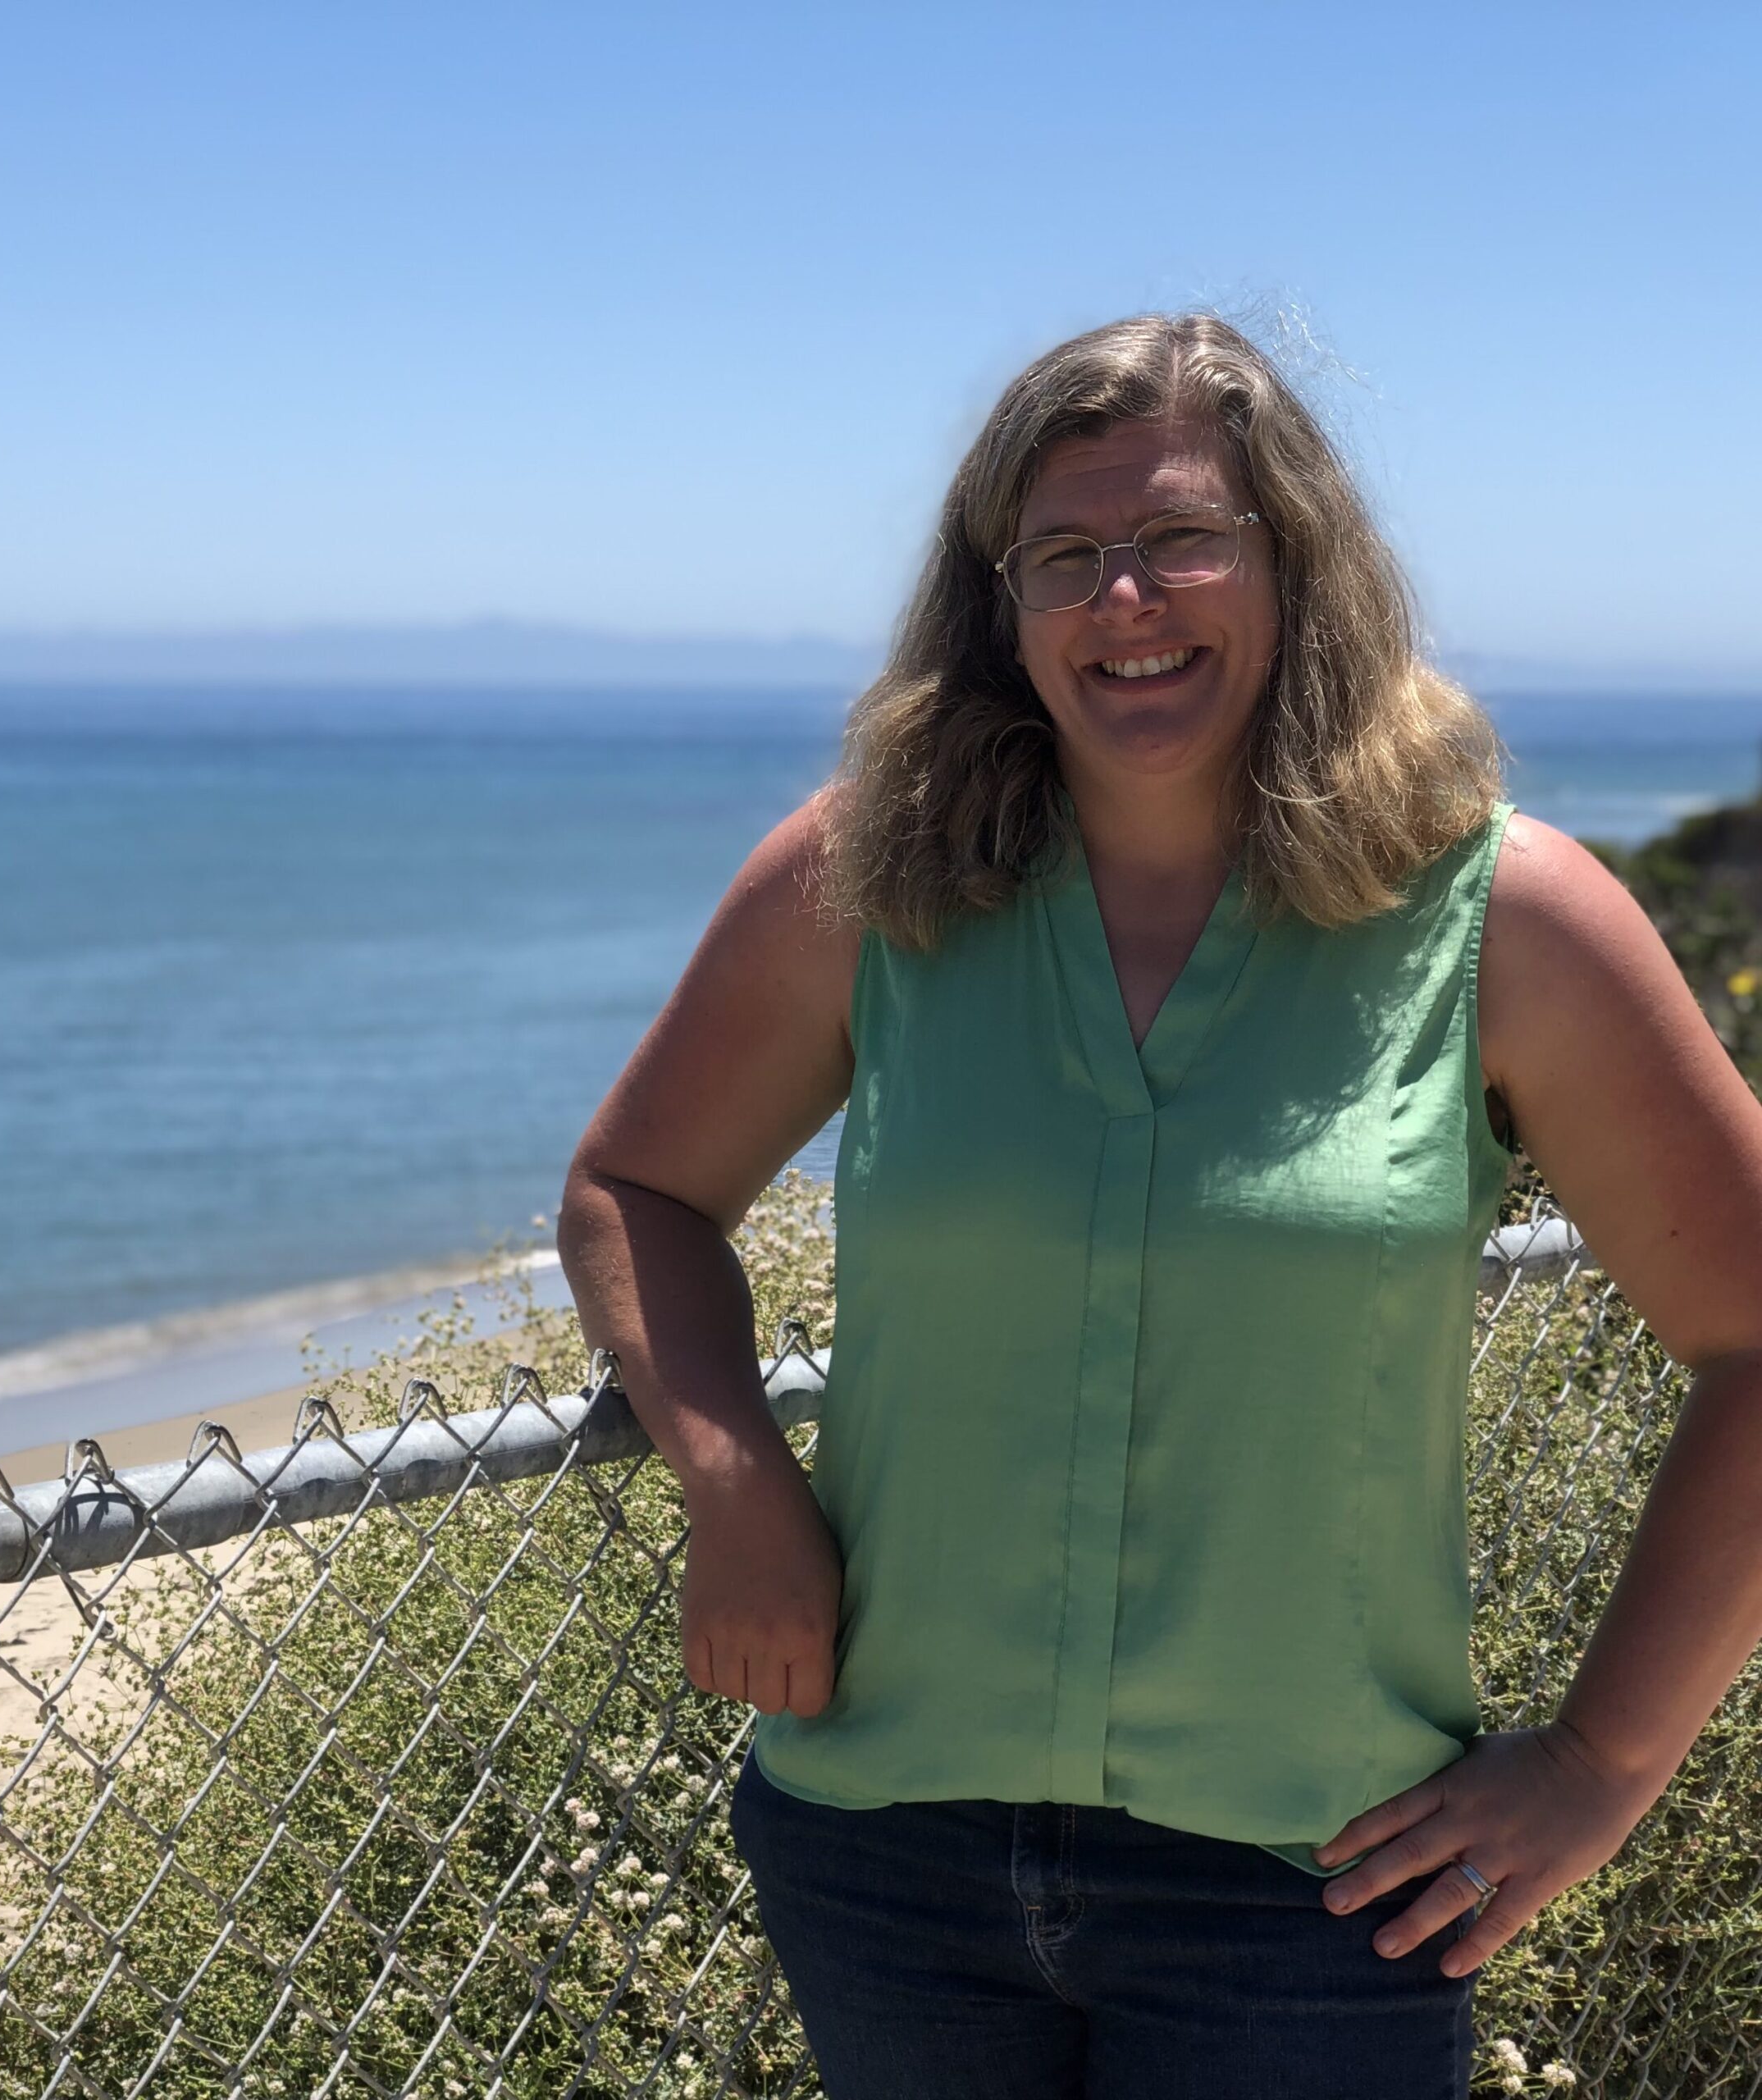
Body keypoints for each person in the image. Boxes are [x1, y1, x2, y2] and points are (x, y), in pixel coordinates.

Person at [554, 312, 1762, 2098]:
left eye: (1184, 535)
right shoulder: (860, 882)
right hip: (883, 1851)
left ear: (1293, 560)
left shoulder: (1503, 918)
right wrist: (736, 1485)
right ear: (1001, 601)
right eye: (1064, 553)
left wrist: (1596, 1764)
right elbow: (632, 1185)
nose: (1125, 596)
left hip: (1311, 1887)